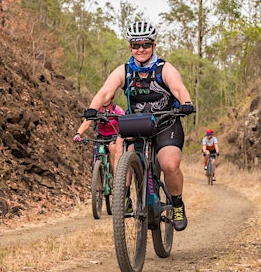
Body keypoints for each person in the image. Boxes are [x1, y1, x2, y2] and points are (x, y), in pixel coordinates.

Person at [81, 21, 194, 231]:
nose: (141, 49)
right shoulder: (124, 71)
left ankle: (177, 204)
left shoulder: (164, 68)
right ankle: (123, 197)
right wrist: (91, 111)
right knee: (118, 149)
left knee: (169, 164)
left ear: (153, 45)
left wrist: (186, 103)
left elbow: (178, 88)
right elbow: (105, 92)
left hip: (166, 122)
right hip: (138, 124)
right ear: (130, 47)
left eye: (145, 45)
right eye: (136, 45)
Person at [73, 100, 125, 175]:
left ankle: (116, 179)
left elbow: (123, 122)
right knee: (95, 157)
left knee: (113, 150)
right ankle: (96, 180)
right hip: (101, 136)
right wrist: (78, 134)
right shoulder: (97, 110)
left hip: (114, 136)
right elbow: (86, 122)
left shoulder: (117, 110)